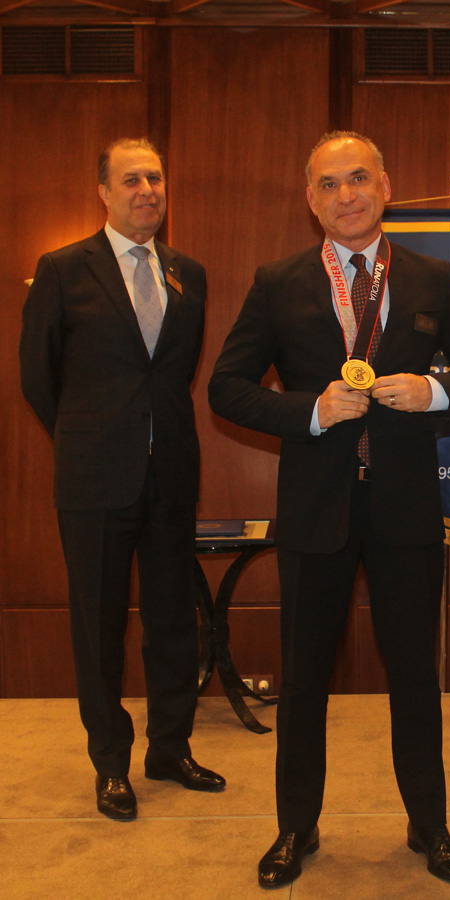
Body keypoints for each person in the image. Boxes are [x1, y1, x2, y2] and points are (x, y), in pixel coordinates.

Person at [208, 131, 450, 888]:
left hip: (407, 508)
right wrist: (309, 410)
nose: (346, 195)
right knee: (304, 680)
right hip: (316, 511)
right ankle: (295, 828)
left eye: (359, 179)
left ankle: (429, 825)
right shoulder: (278, 282)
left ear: (385, 186)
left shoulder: (431, 277)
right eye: (329, 184)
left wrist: (432, 392)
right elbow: (226, 388)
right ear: (310, 200)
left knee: (415, 678)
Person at [19, 138, 225, 821]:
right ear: (104, 192)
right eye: (131, 179)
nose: (147, 190)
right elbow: (38, 376)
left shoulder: (188, 272)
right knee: (99, 624)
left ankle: (170, 748)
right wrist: (90, 436)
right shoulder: (62, 269)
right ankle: (110, 763)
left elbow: (174, 373)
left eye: (155, 178)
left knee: (173, 619)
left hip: (171, 472)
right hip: (94, 477)